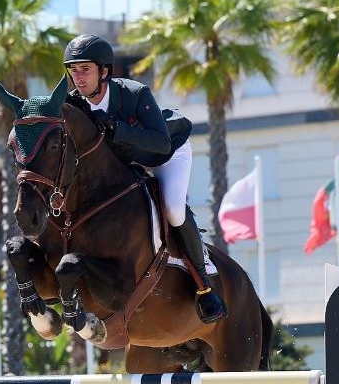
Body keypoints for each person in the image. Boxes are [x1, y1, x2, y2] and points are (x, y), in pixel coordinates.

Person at [63, 33, 226, 323]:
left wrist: (117, 128)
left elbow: (160, 144)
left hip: (166, 154)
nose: (78, 77)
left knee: (173, 209)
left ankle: (204, 285)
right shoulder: (73, 105)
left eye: (85, 69)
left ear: (105, 71)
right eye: (73, 70)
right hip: (128, 164)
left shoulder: (134, 93)